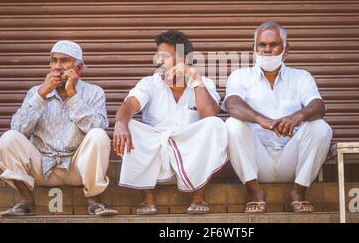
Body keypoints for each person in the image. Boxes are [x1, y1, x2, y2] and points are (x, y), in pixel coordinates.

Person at [0, 40, 117, 216]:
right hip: (41, 168)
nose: (57, 67)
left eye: (64, 61)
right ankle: (26, 199)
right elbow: (18, 128)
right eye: (54, 61)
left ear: (78, 67)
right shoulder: (35, 92)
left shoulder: (94, 92)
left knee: (99, 135)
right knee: (8, 138)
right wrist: (41, 95)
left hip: (76, 168)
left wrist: (72, 96)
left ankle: (93, 199)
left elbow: (97, 127)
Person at [114, 30, 228, 215]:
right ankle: (148, 199)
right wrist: (120, 123)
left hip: (192, 162)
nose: (158, 61)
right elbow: (129, 105)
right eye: (157, 56)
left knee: (215, 125)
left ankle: (198, 197)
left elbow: (210, 114)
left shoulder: (204, 83)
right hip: (155, 161)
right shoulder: (149, 83)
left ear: (185, 59)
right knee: (130, 125)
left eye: (164, 56)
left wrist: (196, 79)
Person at [223, 21, 333, 213]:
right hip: (257, 161)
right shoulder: (239, 76)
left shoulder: (301, 77)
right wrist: (263, 121)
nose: (267, 50)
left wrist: (296, 117)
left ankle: (299, 192)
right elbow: (232, 104)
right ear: (254, 48)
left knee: (321, 128)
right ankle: (255, 193)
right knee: (232, 125)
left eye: (273, 45)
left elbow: (318, 106)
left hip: (292, 160)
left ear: (286, 49)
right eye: (262, 45)